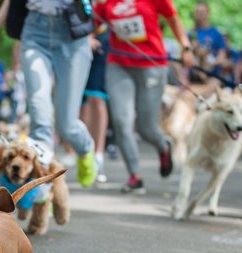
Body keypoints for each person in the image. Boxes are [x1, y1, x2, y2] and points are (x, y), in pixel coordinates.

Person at [0, 0, 99, 187]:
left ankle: (85, 150)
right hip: (35, 31)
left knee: (66, 124)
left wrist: (92, 30)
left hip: (73, 33)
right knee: (39, 116)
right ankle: (44, 189)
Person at [95, 0, 194, 194]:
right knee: (121, 121)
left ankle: (163, 146)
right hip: (119, 65)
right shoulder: (106, 2)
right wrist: (91, 36)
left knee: (146, 127)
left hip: (152, 64)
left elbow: (173, 18)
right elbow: (91, 25)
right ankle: (135, 176)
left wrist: (186, 46)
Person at [80, 23, 110, 183]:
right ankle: (85, 152)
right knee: (81, 105)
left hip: (103, 41)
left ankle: (97, 155)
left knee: (97, 98)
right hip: (76, 37)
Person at [190, 2, 226, 86]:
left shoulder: (216, 33)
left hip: (213, 73)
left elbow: (222, 56)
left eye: (203, 12)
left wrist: (210, 63)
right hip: (196, 73)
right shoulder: (192, 33)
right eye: (198, 12)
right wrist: (192, 48)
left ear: (208, 13)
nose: (201, 15)